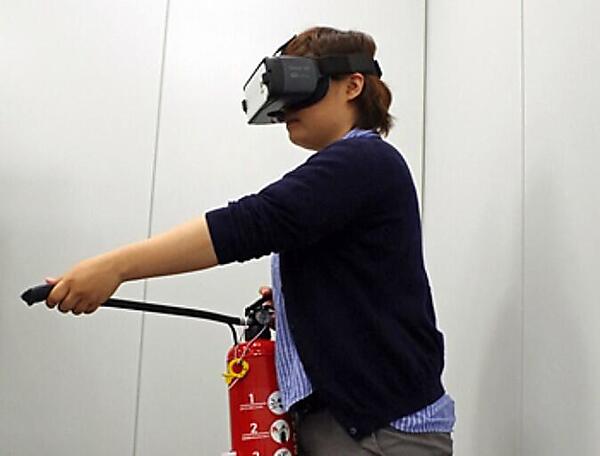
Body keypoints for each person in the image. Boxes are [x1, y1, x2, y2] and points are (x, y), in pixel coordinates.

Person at [45, 26, 455, 455]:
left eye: (303, 85)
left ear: (352, 86)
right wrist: (299, 308)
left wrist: (115, 267)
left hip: (380, 435)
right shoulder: (351, 174)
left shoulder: (364, 160)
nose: (287, 108)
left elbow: (251, 222)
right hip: (361, 429)